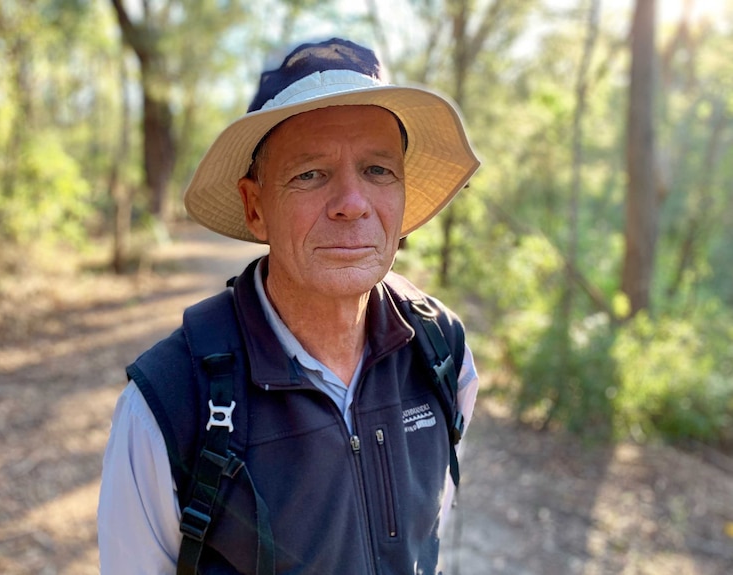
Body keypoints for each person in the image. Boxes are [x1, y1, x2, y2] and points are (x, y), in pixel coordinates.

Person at [98, 37, 481, 575]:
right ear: (256, 208)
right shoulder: (166, 406)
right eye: (310, 174)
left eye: (378, 171)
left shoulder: (443, 354)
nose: (352, 203)